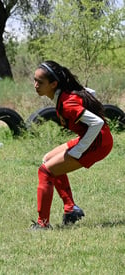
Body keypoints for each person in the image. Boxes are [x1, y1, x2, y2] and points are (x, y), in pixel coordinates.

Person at [31, 60, 113, 230]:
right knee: (48, 159)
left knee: (45, 171)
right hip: (94, 137)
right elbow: (90, 92)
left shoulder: (67, 103)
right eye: (35, 80)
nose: (35, 85)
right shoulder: (63, 95)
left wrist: (79, 150)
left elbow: (97, 123)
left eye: (40, 82)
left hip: (97, 143)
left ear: (54, 84)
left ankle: (42, 224)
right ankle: (71, 209)